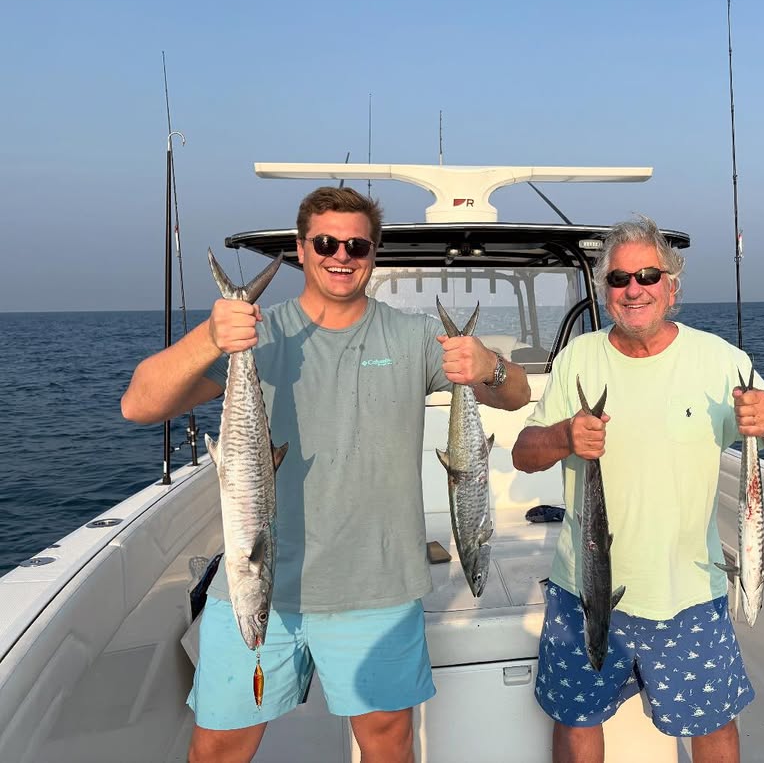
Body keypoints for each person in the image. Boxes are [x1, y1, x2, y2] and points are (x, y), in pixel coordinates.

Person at [121, 186, 530, 763]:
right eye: (326, 243)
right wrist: (210, 336)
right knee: (217, 747)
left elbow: (517, 395)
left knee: (387, 745)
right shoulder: (256, 334)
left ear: (373, 252)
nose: (342, 255)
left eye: (357, 245)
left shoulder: (412, 337)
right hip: (257, 582)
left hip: (378, 587)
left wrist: (490, 366)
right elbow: (139, 404)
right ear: (301, 248)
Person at [511, 215, 764, 763]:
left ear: (671, 288)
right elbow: (524, 453)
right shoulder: (578, 357)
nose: (634, 289)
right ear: (605, 291)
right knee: (576, 722)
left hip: (688, 595)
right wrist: (563, 435)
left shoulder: (720, 360)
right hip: (584, 590)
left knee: (714, 727)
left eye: (648, 276)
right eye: (620, 279)